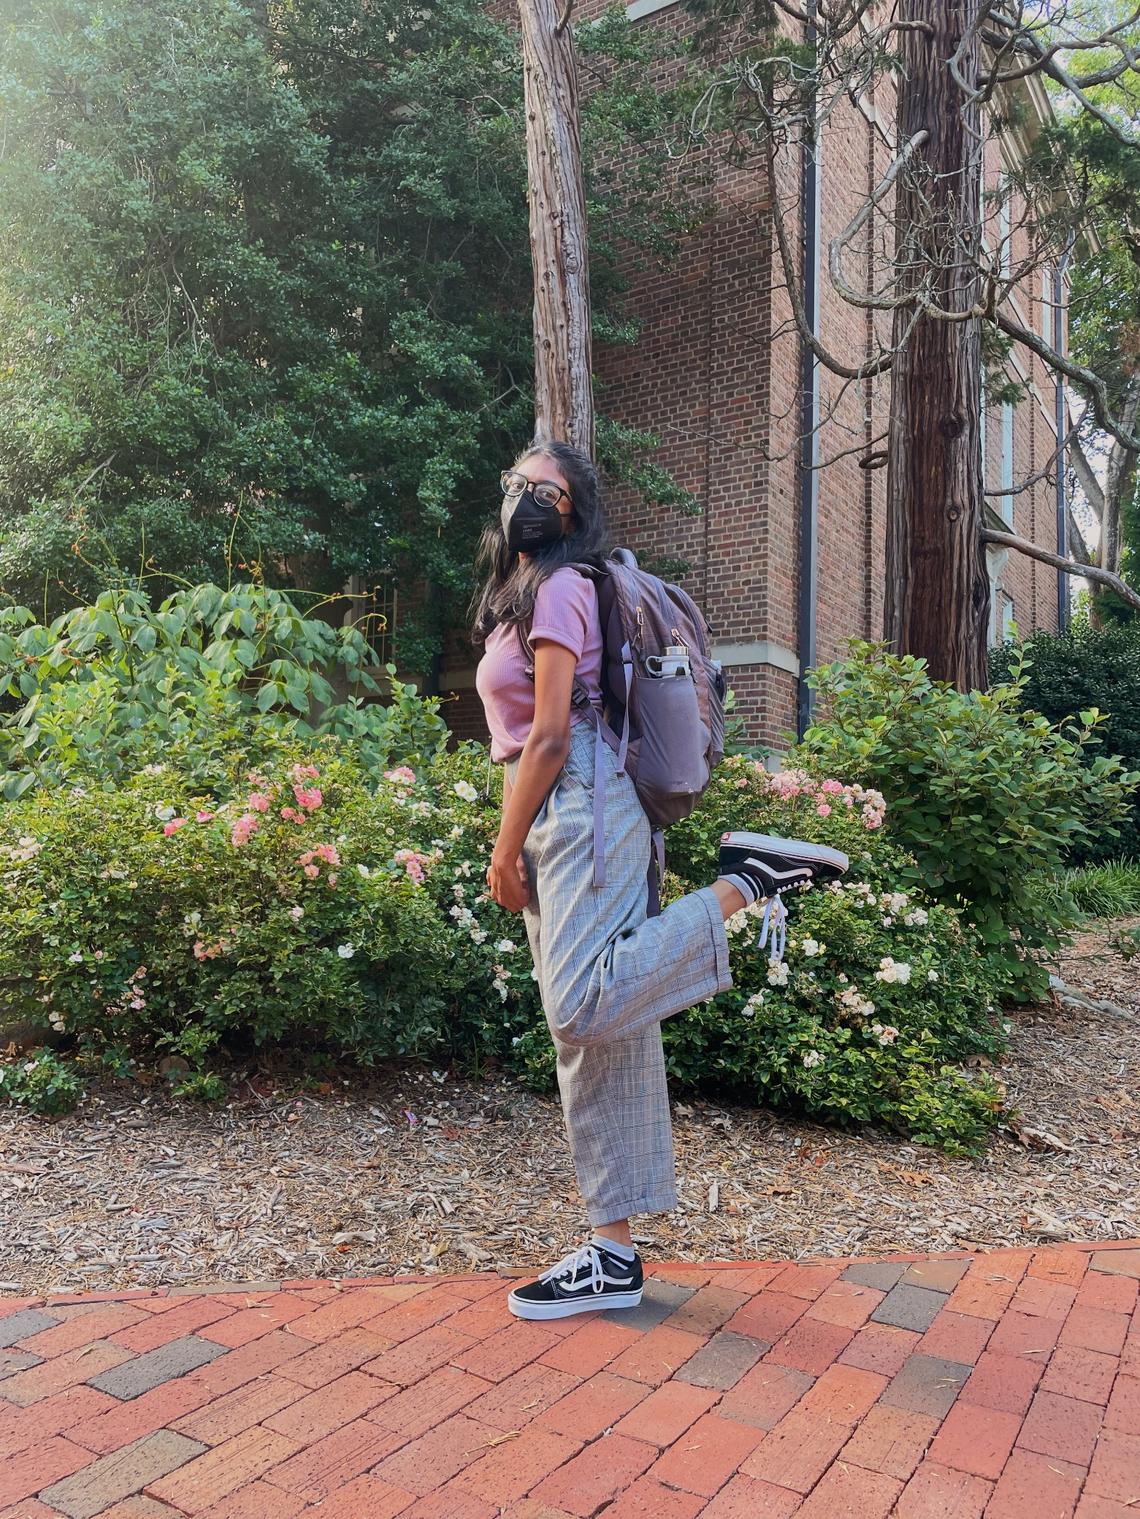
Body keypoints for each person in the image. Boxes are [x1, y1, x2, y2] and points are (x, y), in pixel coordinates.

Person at [471, 440, 846, 1321]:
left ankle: (747, 882)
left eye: (548, 489)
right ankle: (613, 1253)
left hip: (578, 795)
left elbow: (551, 734)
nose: (527, 496)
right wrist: (517, 830)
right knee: (599, 1034)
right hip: (558, 800)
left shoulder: (562, 585)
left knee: (581, 1003)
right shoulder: (516, 597)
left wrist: (503, 847)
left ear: (572, 510)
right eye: (518, 482)